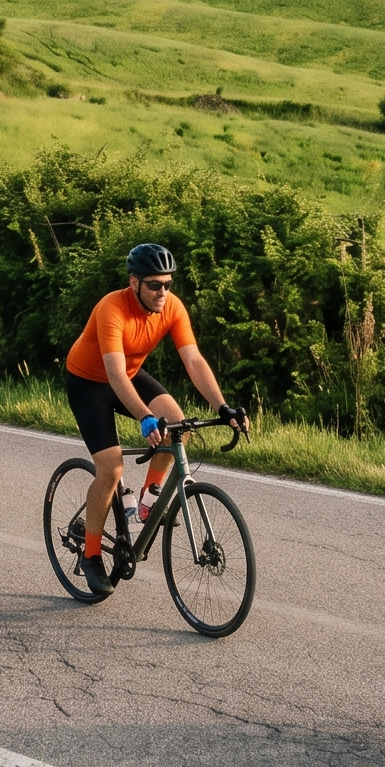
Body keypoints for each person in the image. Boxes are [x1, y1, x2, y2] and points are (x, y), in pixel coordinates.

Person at [63, 243, 244, 598]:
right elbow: (114, 376)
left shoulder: (171, 307)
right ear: (134, 283)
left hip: (129, 376)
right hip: (88, 383)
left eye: (168, 284)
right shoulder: (111, 308)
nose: (164, 292)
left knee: (178, 424)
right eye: (155, 285)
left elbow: (193, 361)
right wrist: (145, 417)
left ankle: (149, 498)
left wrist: (223, 407)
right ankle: (92, 553)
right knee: (111, 469)